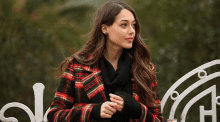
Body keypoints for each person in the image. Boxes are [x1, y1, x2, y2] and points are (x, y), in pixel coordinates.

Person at [47, 0, 163, 122]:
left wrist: (138, 110)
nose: (132, 31)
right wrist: (93, 111)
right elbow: (54, 115)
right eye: (124, 25)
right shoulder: (78, 66)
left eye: (133, 25)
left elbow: (158, 120)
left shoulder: (144, 69)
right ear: (104, 28)